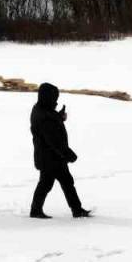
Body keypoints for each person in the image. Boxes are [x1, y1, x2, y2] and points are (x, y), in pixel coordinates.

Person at [29, 83, 92, 219]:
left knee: (54, 183)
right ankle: (75, 210)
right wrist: (68, 154)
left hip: (50, 157)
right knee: (57, 183)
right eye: (54, 97)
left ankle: (75, 210)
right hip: (52, 158)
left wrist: (59, 117)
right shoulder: (44, 116)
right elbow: (53, 141)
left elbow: (50, 123)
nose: (56, 101)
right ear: (47, 97)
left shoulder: (41, 109)